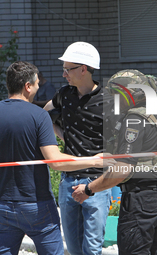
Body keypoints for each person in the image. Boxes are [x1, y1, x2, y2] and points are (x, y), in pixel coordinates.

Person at [0, 61, 115, 255]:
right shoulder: (39, 116)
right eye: (37, 83)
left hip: (3, 205)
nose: (39, 88)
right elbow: (55, 161)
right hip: (37, 206)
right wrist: (95, 161)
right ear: (27, 86)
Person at [72, 70, 157, 255]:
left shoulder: (134, 119)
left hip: (141, 202)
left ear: (128, 94)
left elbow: (123, 170)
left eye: (117, 95)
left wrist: (89, 189)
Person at [44, 41, 112, 255]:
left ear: (83, 69)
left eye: (68, 69)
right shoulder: (65, 95)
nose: (64, 74)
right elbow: (42, 115)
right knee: (73, 249)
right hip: (68, 180)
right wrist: (61, 134)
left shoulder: (109, 99)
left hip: (97, 183)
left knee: (92, 249)